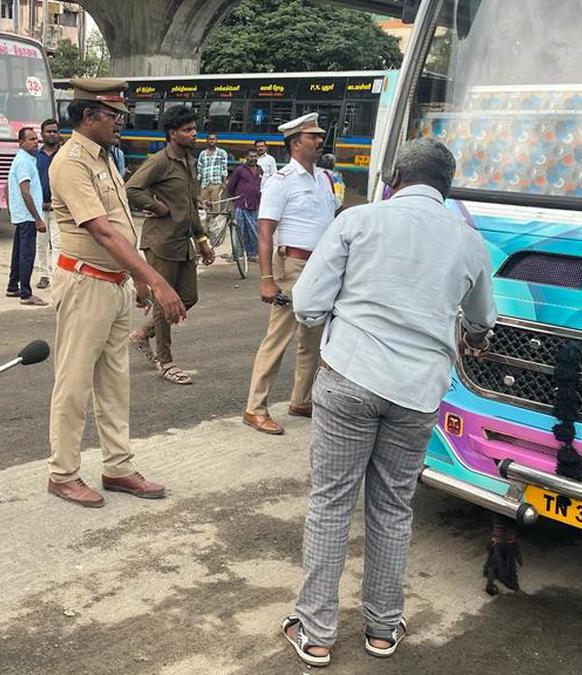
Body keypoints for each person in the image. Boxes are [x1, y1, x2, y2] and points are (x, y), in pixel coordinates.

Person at [280, 138, 497, 668]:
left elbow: (307, 305)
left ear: (395, 176)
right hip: (419, 392)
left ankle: (316, 632)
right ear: (448, 187)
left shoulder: (359, 221)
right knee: (393, 506)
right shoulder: (469, 242)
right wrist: (467, 332)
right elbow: (482, 322)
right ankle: (381, 628)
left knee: (332, 503)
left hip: (350, 377)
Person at [46, 78, 186, 508]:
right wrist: (158, 281)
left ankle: (118, 467)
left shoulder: (105, 157)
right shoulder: (72, 162)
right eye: (114, 116)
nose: (120, 123)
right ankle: (63, 473)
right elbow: (103, 232)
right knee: (73, 384)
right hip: (85, 281)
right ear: (89, 117)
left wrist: (138, 280)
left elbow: (119, 225)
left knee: (115, 383)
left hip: (113, 284)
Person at [242, 112, 337, 436]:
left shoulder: (324, 178)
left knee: (313, 338)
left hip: (320, 268)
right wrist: (266, 278)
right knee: (278, 338)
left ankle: (301, 399)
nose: (320, 140)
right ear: (296, 143)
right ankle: (255, 408)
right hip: (292, 268)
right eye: (314, 136)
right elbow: (266, 232)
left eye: (319, 135)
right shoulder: (280, 181)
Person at [125, 105, 215, 386]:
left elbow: (190, 204)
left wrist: (202, 239)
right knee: (166, 301)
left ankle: (141, 335)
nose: (194, 134)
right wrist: (157, 207)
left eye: (194, 128)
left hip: (184, 241)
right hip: (161, 242)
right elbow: (131, 189)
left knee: (188, 297)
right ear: (172, 133)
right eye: (187, 130)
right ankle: (165, 361)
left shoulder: (190, 161)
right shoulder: (159, 161)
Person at [6, 127, 49, 306]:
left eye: (36, 139)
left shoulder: (26, 159)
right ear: (21, 142)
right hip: (27, 215)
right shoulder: (24, 161)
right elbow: (25, 192)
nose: (35, 142)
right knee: (27, 254)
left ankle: (12, 286)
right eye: (31, 139)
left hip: (22, 214)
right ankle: (26, 293)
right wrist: (38, 218)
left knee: (18, 252)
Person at [34, 118, 62, 290]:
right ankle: (44, 275)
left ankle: (56, 277)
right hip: (39, 207)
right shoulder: (35, 156)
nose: (52, 134)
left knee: (58, 243)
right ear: (42, 134)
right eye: (48, 131)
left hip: (58, 207)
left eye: (55, 131)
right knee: (41, 243)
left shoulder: (64, 155)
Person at [225, 148, 263, 260]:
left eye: (255, 156)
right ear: (246, 157)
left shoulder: (260, 170)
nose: (253, 159)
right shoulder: (239, 170)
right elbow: (230, 186)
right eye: (251, 156)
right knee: (239, 230)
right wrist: (237, 198)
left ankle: (252, 254)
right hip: (241, 205)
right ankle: (238, 254)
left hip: (255, 205)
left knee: (254, 231)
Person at [197, 132, 230, 205]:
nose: (211, 141)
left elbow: (224, 169)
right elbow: (199, 170)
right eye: (210, 139)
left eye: (213, 139)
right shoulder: (202, 153)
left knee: (215, 206)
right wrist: (197, 185)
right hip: (204, 184)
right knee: (203, 207)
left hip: (216, 184)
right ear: (207, 141)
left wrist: (224, 183)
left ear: (216, 140)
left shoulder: (222, 153)